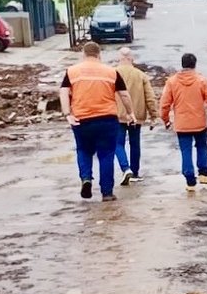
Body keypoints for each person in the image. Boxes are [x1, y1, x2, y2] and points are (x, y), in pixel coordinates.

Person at [60, 42, 136, 201]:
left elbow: (64, 92)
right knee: (106, 154)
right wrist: (130, 113)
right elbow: (124, 95)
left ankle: (86, 178)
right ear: (99, 55)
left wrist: (68, 114)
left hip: (82, 119)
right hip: (107, 119)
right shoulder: (111, 72)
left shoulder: (72, 71)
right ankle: (107, 192)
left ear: (83, 54)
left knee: (83, 150)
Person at [159, 53, 207, 192]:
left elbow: (164, 104)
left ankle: (190, 181)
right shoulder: (202, 81)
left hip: (182, 125)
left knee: (185, 151)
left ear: (182, 64)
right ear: (195, 64)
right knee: (202, 147)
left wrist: (166, 120)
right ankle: (204, 174)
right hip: (199, 122)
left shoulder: (172, 82)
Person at [114, 47, 158, 184]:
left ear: (119, 58)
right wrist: (153, 115)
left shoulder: (112, 73)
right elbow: (150, 96)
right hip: (136, 115)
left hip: (117, 115)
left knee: (117, 143)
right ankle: (135, 172)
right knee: (135, 144)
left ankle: (125, 168)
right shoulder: (140, 75)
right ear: (132, 58)